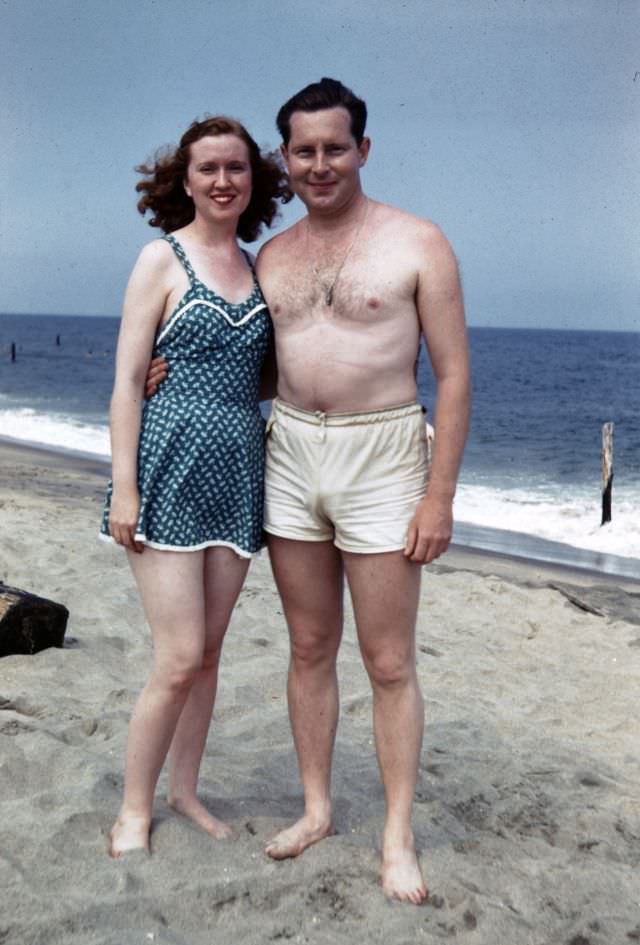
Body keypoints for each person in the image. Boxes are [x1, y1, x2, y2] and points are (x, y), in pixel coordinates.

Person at [147, 78, 470, 903]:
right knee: (309, 645)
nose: (319, 164)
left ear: (363, 149)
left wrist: (439, 496)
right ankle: (318, 806)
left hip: (383, 453)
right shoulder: (273, 258)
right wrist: (166, 375)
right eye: (303, 151)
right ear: (283, 161)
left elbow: (456, 375)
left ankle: (397, 833)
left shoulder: (418, 242)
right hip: (290, 452)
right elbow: (252, 363)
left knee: (390, 658)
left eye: (334, 147)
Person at [100, 115, 290, 857]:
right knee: (177, 656)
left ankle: (184, 788)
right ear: (184, 179)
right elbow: (123, 382)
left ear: (254, 180)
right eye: (207, 168)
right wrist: (123, 487)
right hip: (166, 469)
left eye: (236, 168)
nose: (222, 180)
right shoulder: (160, 258)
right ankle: (133, 807)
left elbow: (273, 372)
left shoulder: (259, 266)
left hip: (240, 473)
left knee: (209, 653)